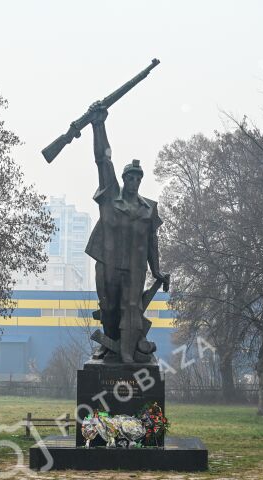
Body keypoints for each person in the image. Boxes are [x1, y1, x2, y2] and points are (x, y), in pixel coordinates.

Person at [83, 101, 168, 364]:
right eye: (130, 177)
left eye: (138, 178)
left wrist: (156, 270)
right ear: (123, 179)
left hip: (134, 267)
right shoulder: (111, 197)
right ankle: (111, 345)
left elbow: (152, 242)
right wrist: (98, 125)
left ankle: (128, 352)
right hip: (108, 262)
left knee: (131, 307)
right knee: (108, 307)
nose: (134, 181)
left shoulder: (148, 209)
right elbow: (103, 160)